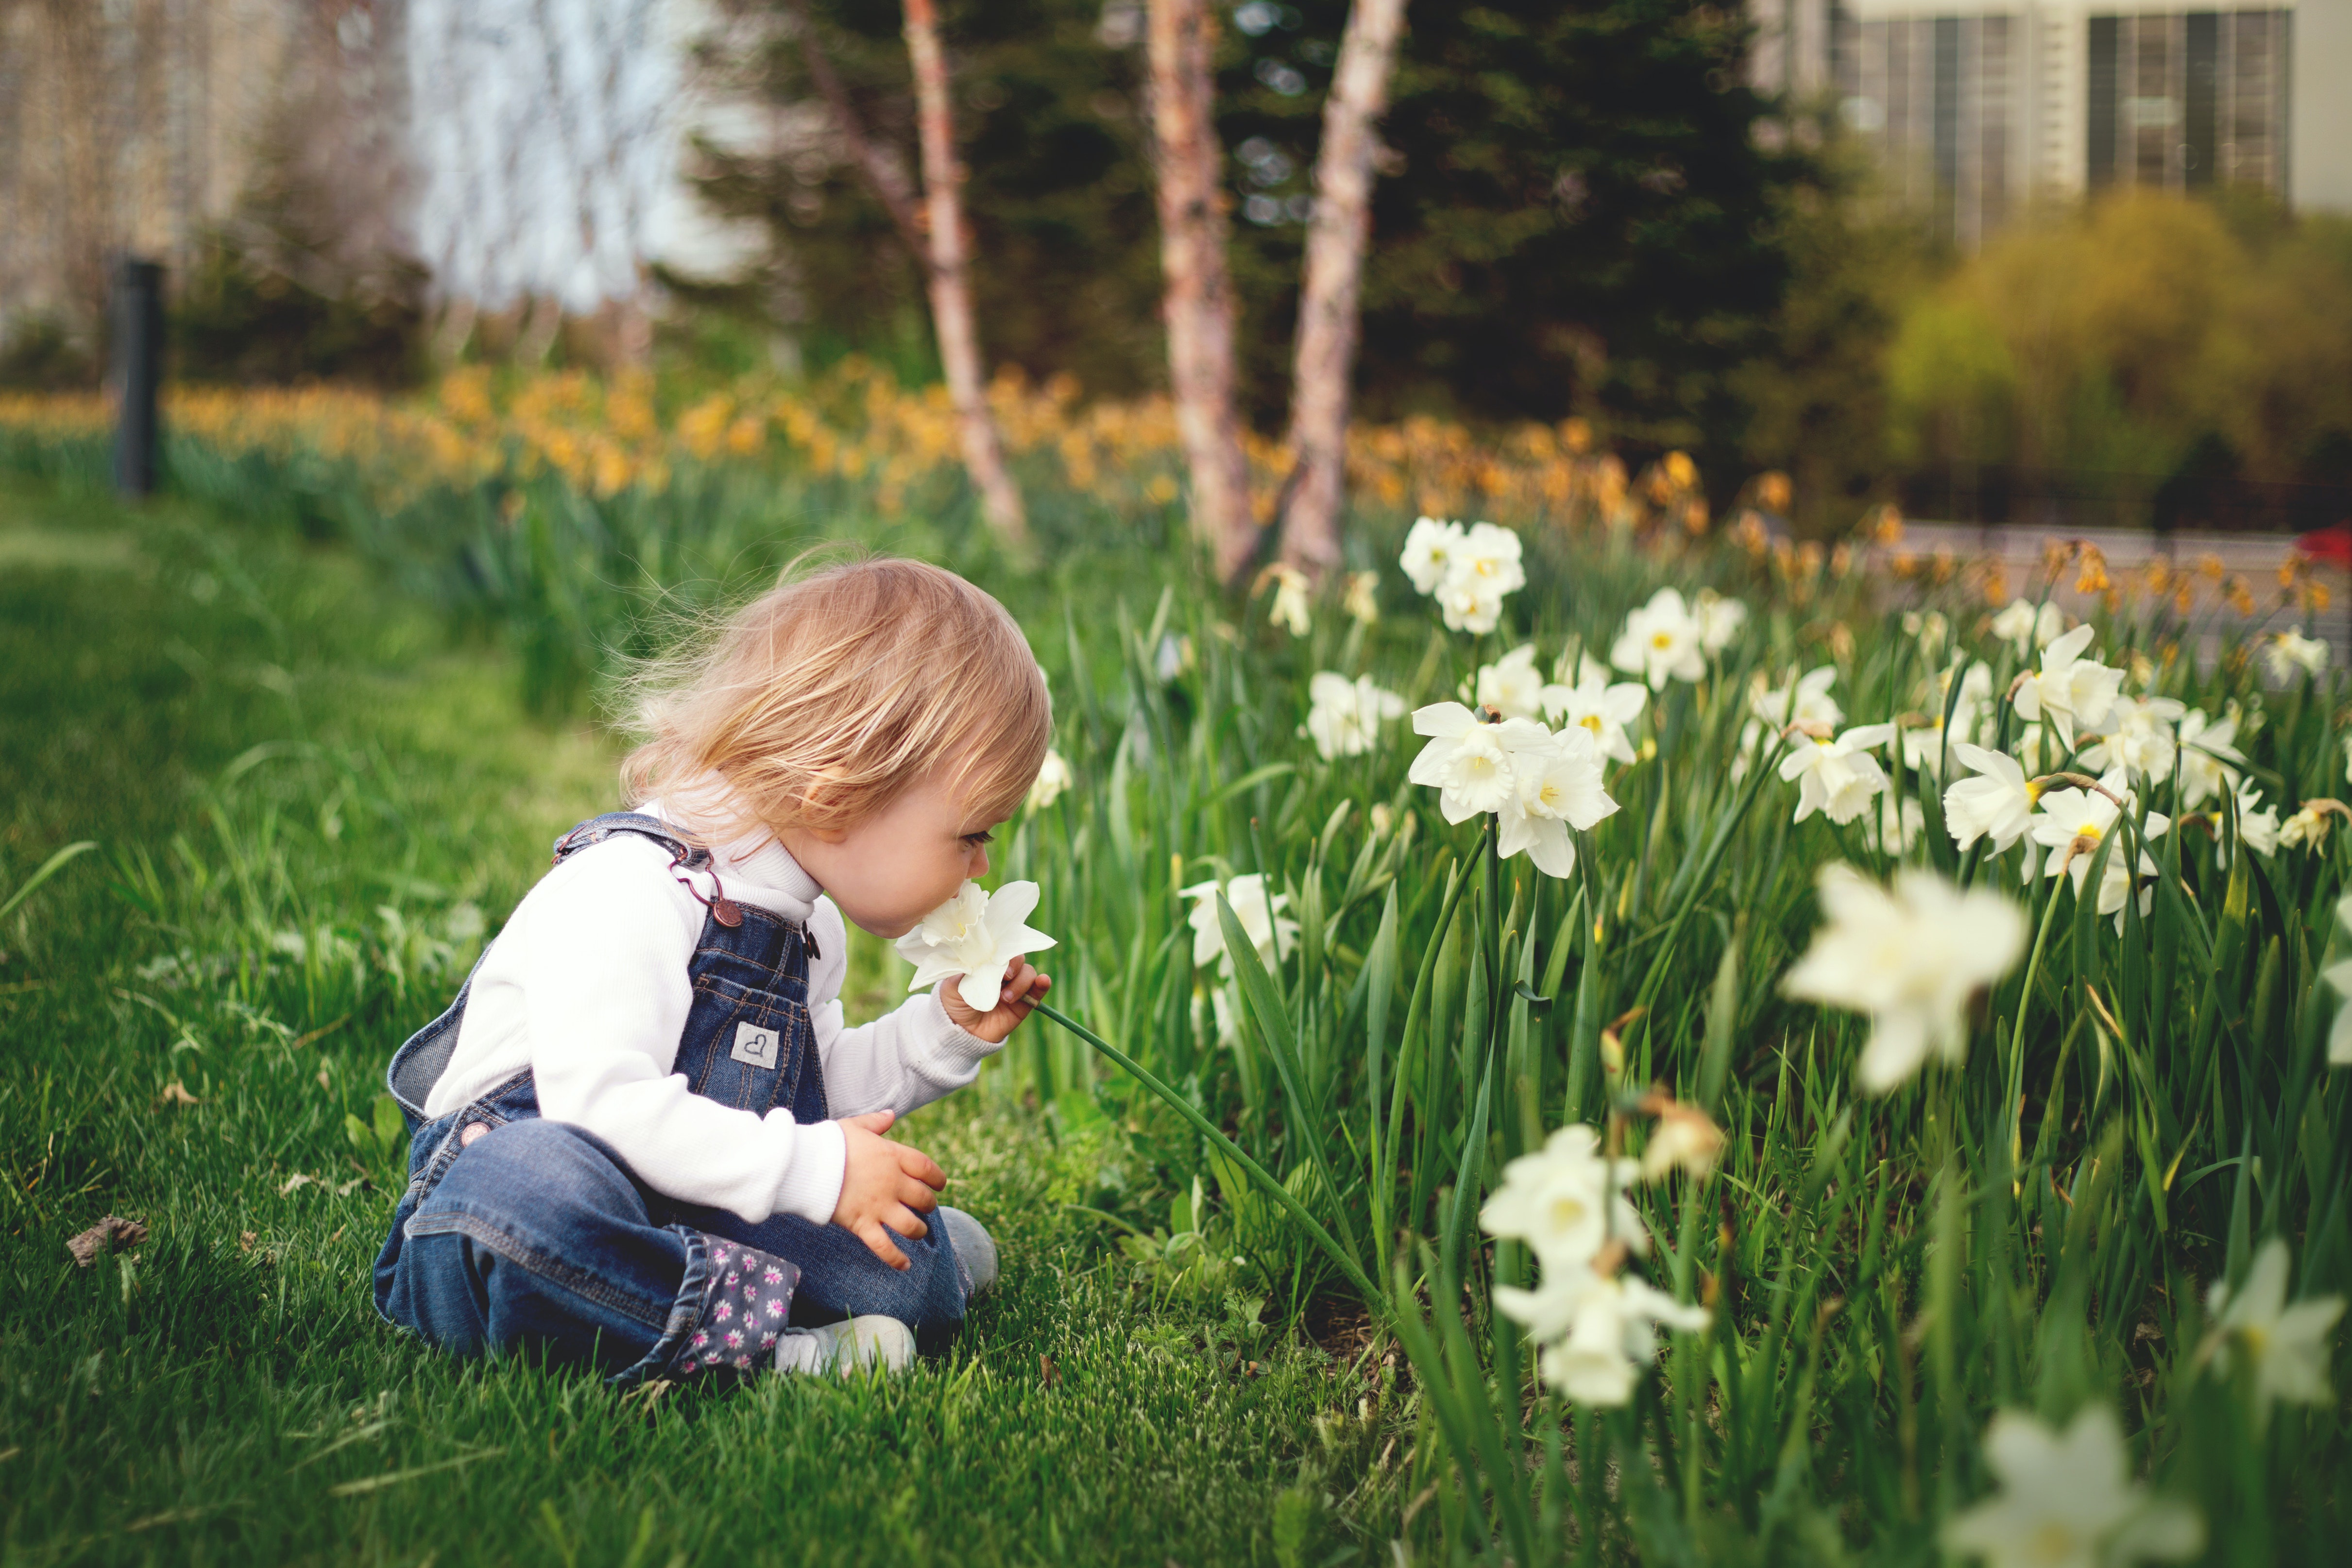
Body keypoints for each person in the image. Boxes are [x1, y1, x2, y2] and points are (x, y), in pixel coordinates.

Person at [372, 556, 1053, 1381]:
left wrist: (938, 1034)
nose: (980, 867)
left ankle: (885, 1273)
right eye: (972, 834)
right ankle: (770, 1351)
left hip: (684, 1194)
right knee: (530, 1197)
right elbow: (600, 1107)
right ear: (839, 793)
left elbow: (808, 1094)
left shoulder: (807, 926)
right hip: (520, 1198)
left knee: (905, 1271)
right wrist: (817, 1170)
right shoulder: (633, 887)